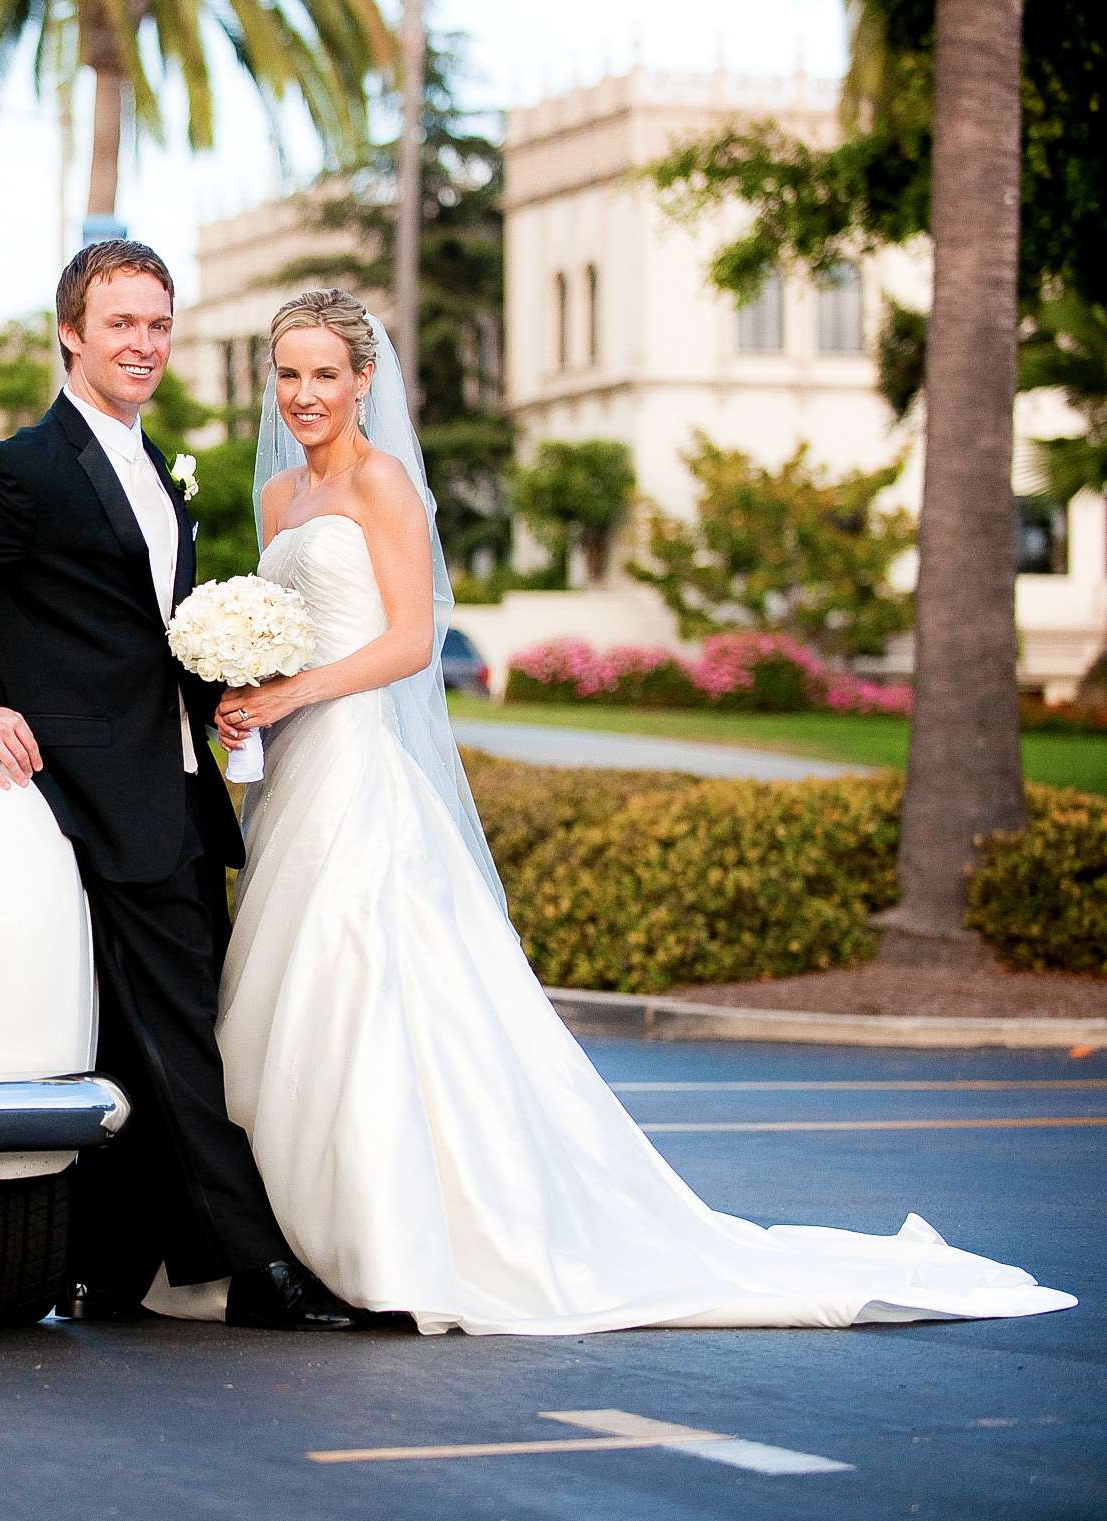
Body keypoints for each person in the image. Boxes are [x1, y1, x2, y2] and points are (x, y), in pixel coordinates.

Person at [173, 288, 1077, 1333]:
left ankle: (391, 1243)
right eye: (286, 375)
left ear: (363, 379)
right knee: (286, 991)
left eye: (324, 374)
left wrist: (293, 692)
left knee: (366, 975)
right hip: (294, 768)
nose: (302, 395)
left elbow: (409, 640)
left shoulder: (382, 487)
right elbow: (295, 631)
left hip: (358, 765)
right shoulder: (279, 499)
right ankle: (286, 1243)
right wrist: (248, 697)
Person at [0, 242, 360, 1329]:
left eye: (159, 326)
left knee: (135, 1036)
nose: (143, 345)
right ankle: (258, 1270)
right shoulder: (24, 469)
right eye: (121, 324)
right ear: (71, 334)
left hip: (169, 791)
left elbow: (134, 625)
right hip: (86, 795)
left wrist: (220, 684)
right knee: (182, 1035)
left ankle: (112, 1267)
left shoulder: (156, 459)